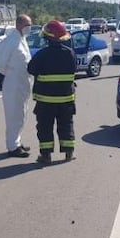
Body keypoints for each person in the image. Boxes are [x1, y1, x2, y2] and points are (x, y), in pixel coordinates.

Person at [27, 20, 77, 164]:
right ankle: (68, 153)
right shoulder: (70, 53)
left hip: (46, 100)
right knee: (66, 125)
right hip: (66, 99)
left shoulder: (42, 54)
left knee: (45, 127)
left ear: (47, 37)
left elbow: (31, 69)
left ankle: (46, 155)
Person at [0, 14, 33, 158]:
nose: (29, 28)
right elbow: (0, 65)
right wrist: (12, 74)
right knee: (13, 117)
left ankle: (17, 142)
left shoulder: (21, 39)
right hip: (13, 85)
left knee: (21, 115)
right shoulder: (10, 41)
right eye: (28, 25)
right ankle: (12, 147)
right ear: (19, 25)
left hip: (22, 85)